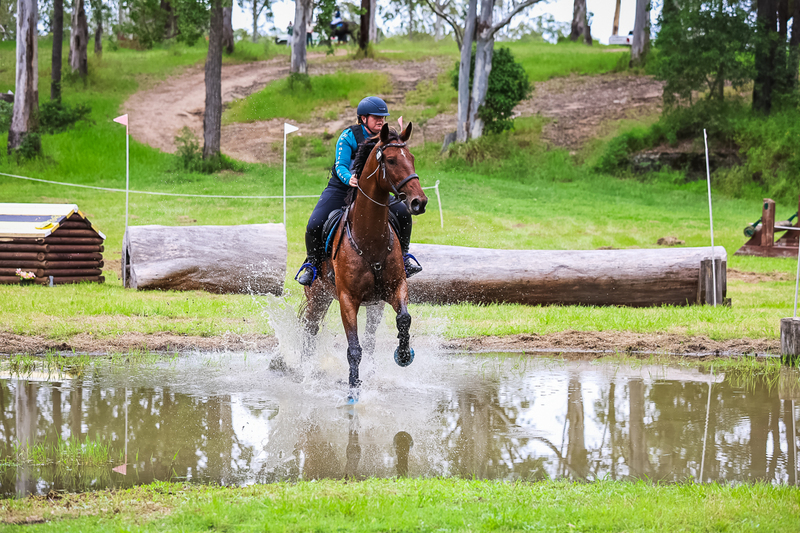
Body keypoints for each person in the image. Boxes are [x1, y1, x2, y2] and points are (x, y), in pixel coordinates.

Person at [295, 96, 422, 287]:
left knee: (404, 214)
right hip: (342, 188)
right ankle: (312, 265)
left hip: (372, 192)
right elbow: (341, 166)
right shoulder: (348, 136)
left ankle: (403, 258)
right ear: (363, 118)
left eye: (383, 117)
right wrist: (349, 178)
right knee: (315, 223)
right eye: (376, 117)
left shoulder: (386, 138)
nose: (381, 120)